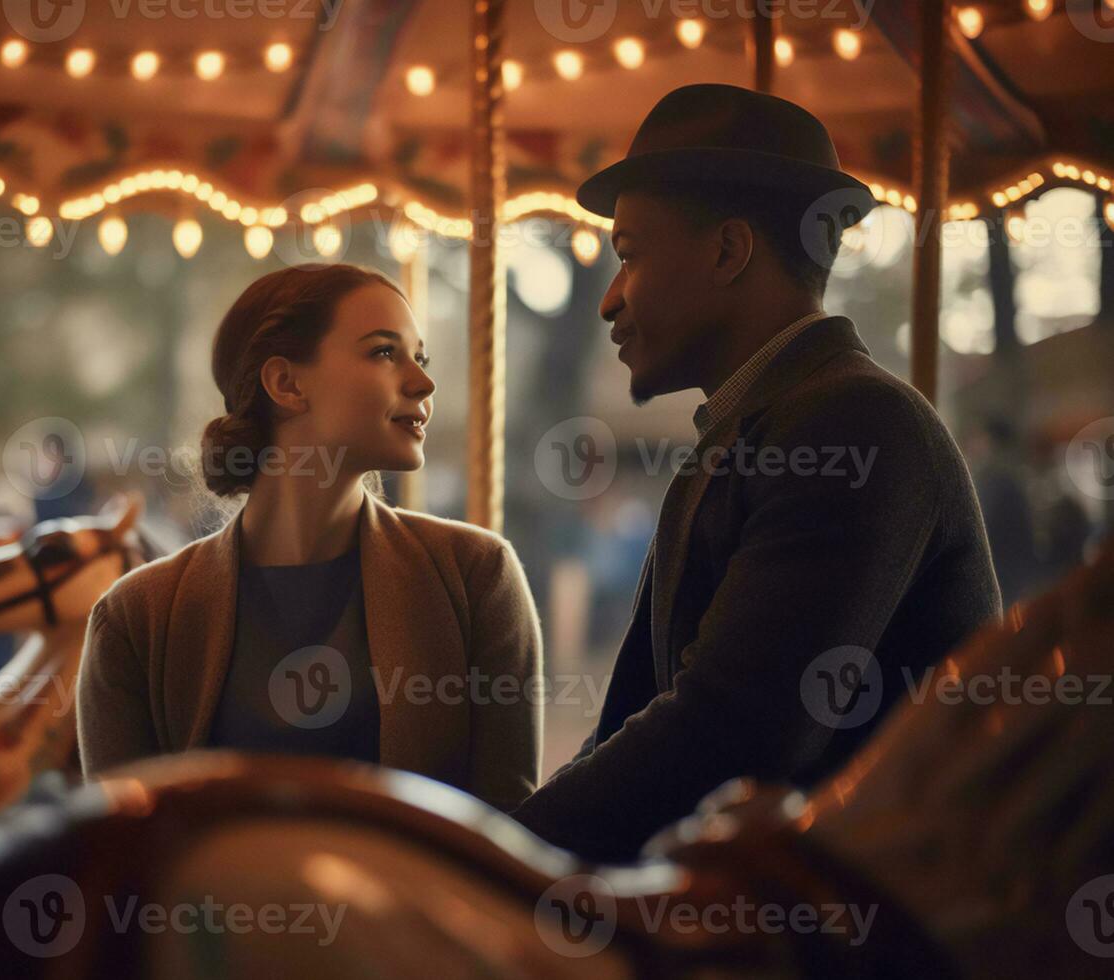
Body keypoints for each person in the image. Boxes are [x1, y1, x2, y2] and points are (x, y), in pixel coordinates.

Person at [510, 84, 1002, 861]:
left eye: (630, 255)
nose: (609, 300)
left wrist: (503, 851)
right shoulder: (757, 428)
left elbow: (730, 729)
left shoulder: (854, 426)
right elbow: (637, 724)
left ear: (728, 252)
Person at [76, 263, 542, 811]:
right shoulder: (136, 618)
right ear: (287, 383)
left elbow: (508, 833)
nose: (423, 382)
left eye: (421, 357)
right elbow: (123, 856)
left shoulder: (476, 576)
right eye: (384, 352)